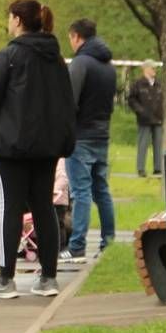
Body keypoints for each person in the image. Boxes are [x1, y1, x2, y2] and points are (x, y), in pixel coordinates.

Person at [0, 0, 76, 299]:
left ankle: (5, 279)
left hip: (10, 145)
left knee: (9, 207)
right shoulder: (56, 59)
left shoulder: (8, 56)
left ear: (18, 20)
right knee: (44, 207)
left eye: (10, 17)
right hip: (46, 146)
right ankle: (48, 277)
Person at [63, 18, 117, 260]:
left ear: (76, 36)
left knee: (80, 191)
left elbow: (68, 101)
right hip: (101, 133)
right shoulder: (109, 66)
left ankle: (76, 246)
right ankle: (109, 241)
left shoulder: (80, 63)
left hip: (81, 135)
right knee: (101, 190)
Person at [126, 61, 165, 177]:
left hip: (158, 118)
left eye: (155, 68)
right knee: (143, 144)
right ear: (146, 69)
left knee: (158, 144)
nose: (154, 70)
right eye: (152, 68)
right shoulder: (138, 84)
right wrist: (140, 111)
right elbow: (131, 100)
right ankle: (141, 168)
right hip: (144, 119)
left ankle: (158, 168)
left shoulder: (159, 84)